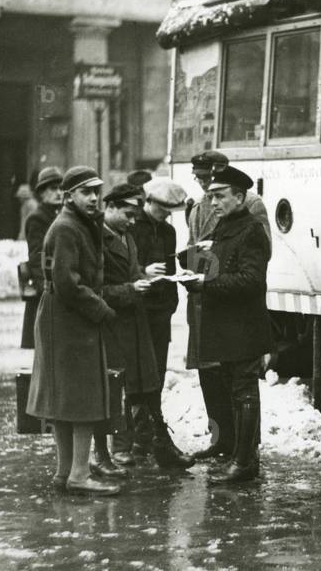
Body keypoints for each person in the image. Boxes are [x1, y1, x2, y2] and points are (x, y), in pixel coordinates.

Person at [27, 165, 119, 496]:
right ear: (69, 196)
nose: (94, 198)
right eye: (86, 192)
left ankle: (64, 472)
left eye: (97, 191)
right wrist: (102, 310)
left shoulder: (75, 223)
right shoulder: (67, 227)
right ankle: (79, 474)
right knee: (81, 398)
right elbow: (67, 283)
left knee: (65, 399)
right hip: (70, 319)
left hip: (63, 319)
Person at [187, 165, 272, 483]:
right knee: (234, 390)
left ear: (240, 197)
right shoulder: (224, 228)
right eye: (211, 197)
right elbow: (218, 265)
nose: (213, 203)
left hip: (244, 327)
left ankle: (245, 461)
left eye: (220, 196)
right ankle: (239, 455)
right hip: (227, 326)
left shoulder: (251, 229)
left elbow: (251, 280)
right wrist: (192, 268)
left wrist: (205, 284)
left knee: (245, 390)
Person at [129, 176, 194, 469]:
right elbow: (122, 268)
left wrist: (172, 298)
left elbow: (169, 266)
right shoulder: (131, 228)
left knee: (154, 378)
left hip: (160, 312)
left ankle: (151, 441)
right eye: (162, 209)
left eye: (170, 210)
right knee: (134, 379)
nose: (166, 215)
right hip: (136, 310)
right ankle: (139, 441)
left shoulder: (168, 231)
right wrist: (143, 271)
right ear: (149, 202)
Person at [97, 183, 157, 474]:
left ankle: (134, 442)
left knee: (136, 384)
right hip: (111, 322)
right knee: (116, 386)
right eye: (127, 214)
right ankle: (117, 448)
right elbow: (96, 289)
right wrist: (130, 289)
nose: (133, 222)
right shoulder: (96, 239)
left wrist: (143, 277)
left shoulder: (126, 237)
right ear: (109, 208)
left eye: (135, 216)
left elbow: (130, 272)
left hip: (133, 320)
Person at [21, 167, 63, 349]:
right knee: (47, 347)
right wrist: (46, 288)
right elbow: (37, 257)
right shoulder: (37, 219)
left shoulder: (62, 215)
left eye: (61, 188)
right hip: (47, 289)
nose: (59, 193)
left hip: (61, 284)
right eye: (53, 189)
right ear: (41, 193)